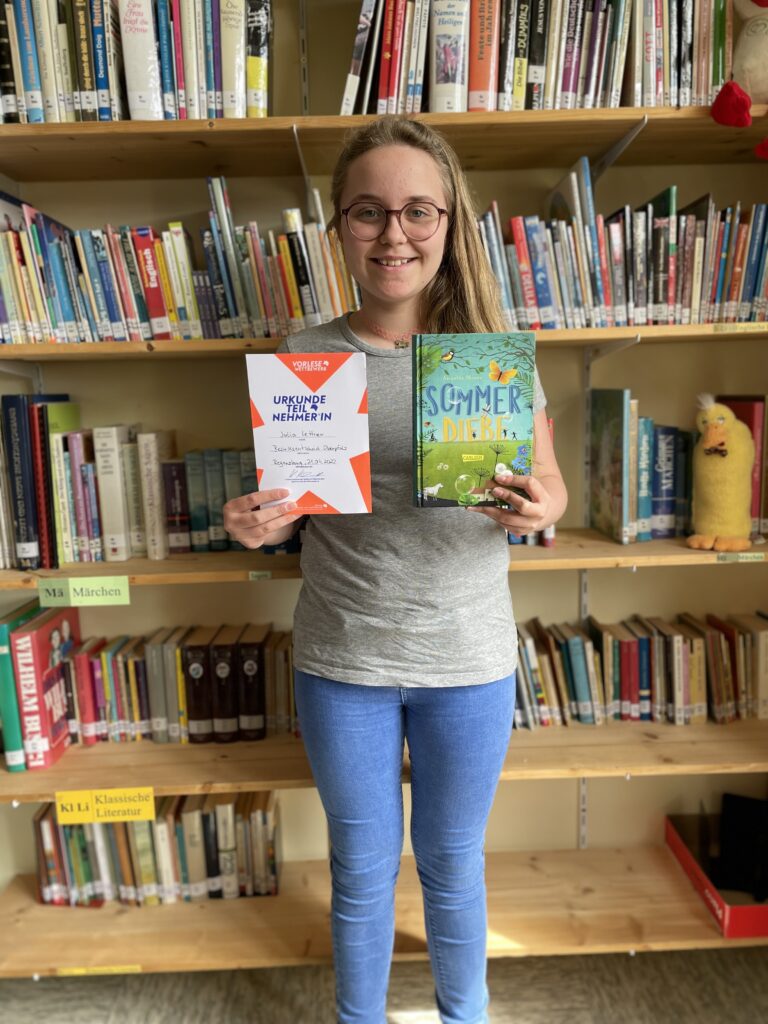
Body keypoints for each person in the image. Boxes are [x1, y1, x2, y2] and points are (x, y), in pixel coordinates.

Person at [223, 116, 567, 1024]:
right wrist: (254, 524)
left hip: (469, 659)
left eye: (419, 211)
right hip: (344, 658)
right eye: (368, 211)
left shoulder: (490, 357)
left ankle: (466, 1016)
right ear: (339, 226)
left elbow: (553, 486)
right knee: (363, 868)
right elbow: (283, 502)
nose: (394, 234)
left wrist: (540, 509)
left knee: (452, 864)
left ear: (449, 223)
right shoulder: (305, 354)